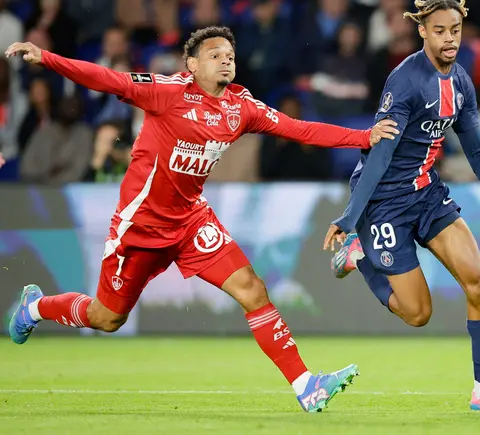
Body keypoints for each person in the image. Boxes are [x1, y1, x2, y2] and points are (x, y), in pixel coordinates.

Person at [4, 26, 399, 413]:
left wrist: (362, 137)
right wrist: (48, 58)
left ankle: (306, 385)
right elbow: (108, 79)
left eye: (230, 55)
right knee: (107, 318)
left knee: (252, 289)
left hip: (192, 221)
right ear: (191, 64)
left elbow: (299, 129)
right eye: (215, 55)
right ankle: (36, 307)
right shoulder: (167, 92)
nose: (226, 60)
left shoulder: (240, 106)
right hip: (140, 228)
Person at [323, 0, 480, 412]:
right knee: (418, 314)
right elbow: (379, 155)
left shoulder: (461, 81)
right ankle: (358, 256)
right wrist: (350, 217)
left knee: (479, 282)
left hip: (427, 194)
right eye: (439, 31)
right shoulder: (405, 81)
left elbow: (474, 144)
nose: (449, 39)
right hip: (384, 203)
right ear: (422, 32)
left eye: (455, 30)